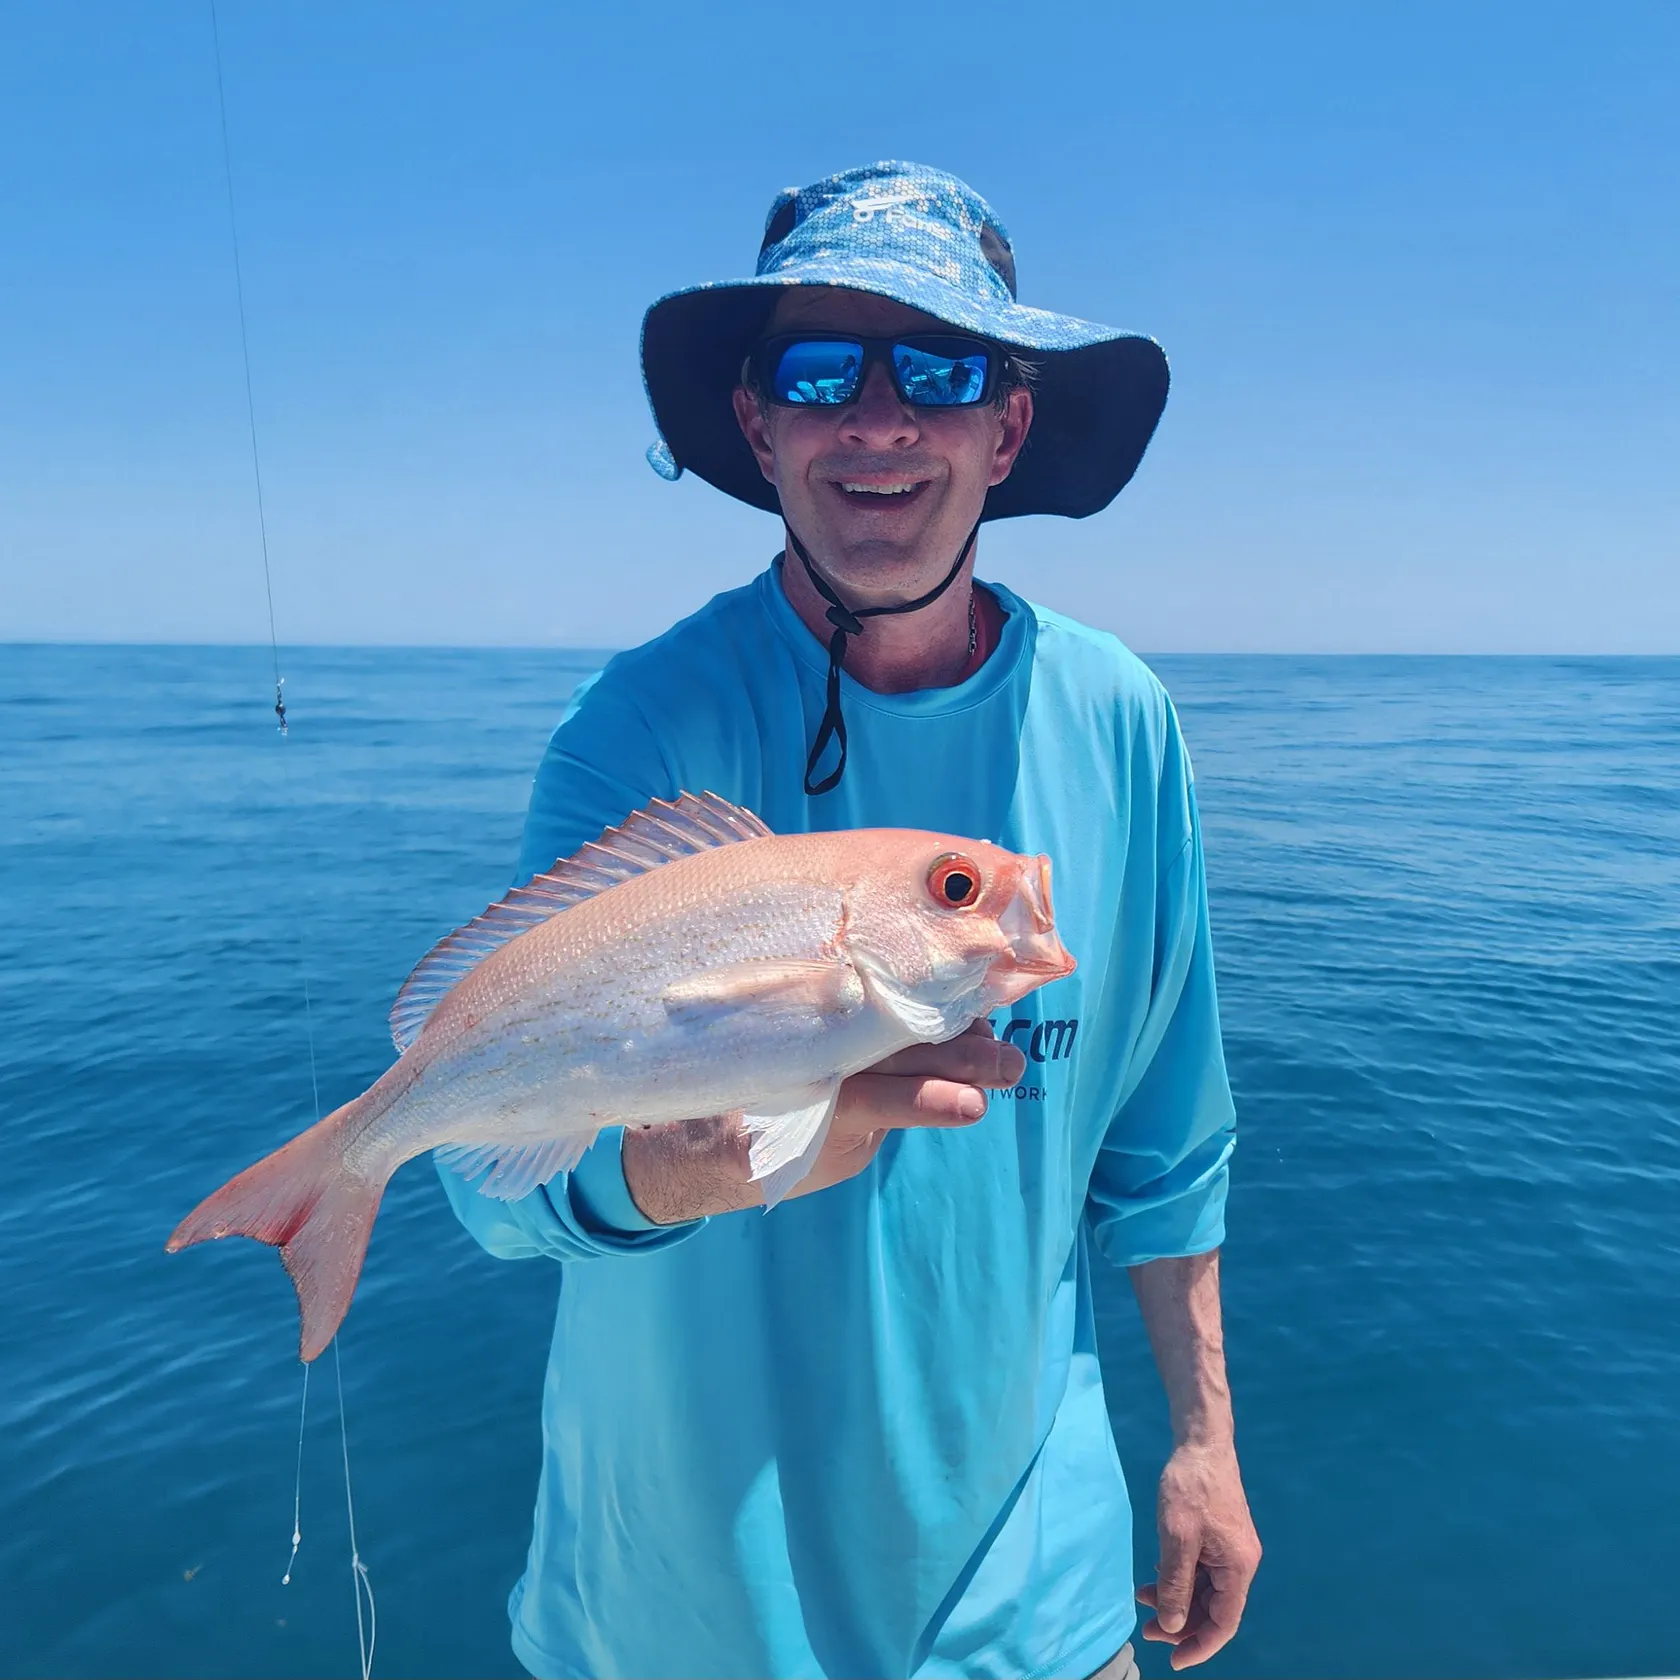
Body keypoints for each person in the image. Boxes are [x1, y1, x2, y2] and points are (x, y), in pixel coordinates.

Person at [438, 160, 1261, 1680]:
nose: (877, 419)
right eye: (820, 370)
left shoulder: (1123, 726)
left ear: (1005, 425)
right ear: (760, 426)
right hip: (675, 1621)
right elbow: (490, 1187)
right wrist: (665, 1170)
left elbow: (1166, 1137)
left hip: (1042, 1611)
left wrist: (1203, 1443)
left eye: (936, 369)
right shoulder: (636, 734)